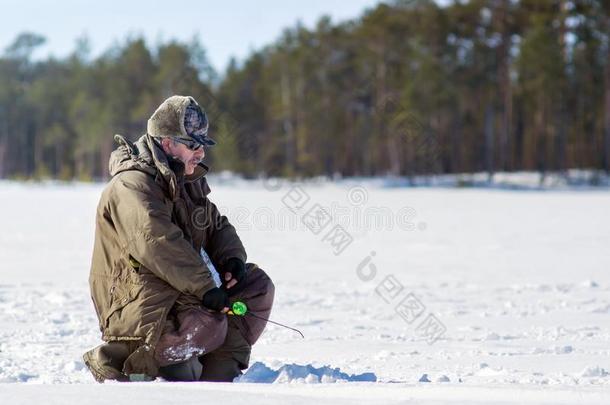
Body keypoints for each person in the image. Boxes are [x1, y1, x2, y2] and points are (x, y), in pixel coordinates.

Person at [83, 95, 274, 382]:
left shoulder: (183, 181)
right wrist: (206, 288)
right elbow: (156, 241)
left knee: (256, 286)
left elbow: (214, 224)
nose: (200, 153)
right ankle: (120, 359)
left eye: (203, 146)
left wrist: (232, 260)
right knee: (209, 323)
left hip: (177, 290)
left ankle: (218, 378)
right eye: (193, 145)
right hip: (137, 301)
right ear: (168, 142)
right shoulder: (132, 184)